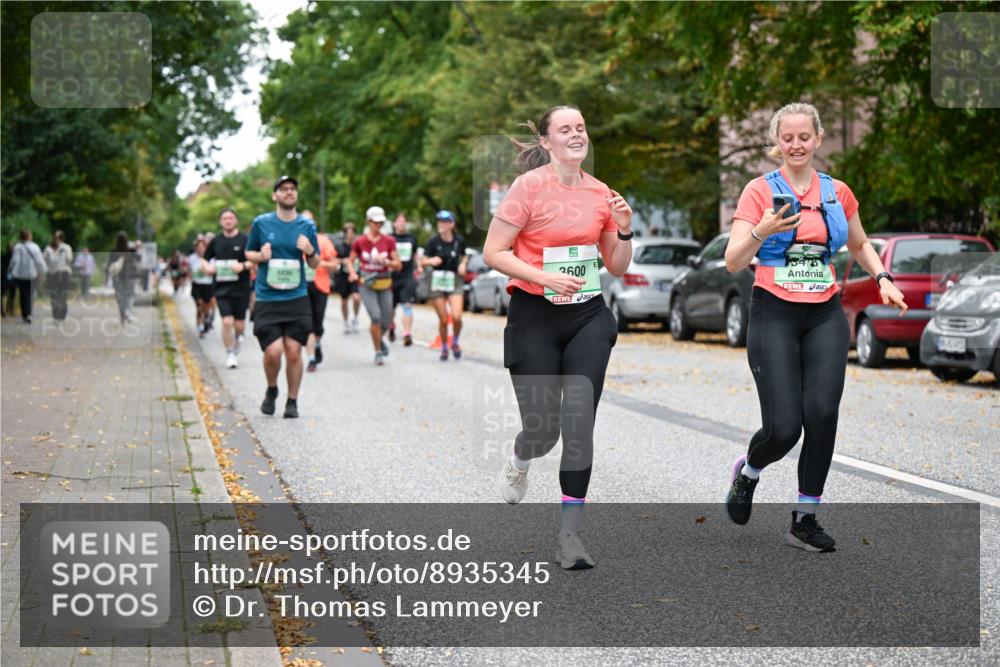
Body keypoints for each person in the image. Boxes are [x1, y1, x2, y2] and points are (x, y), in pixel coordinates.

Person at [723, 103, 907, 553]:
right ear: (777, 142)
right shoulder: (758, 191)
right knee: (784, 429)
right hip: (774, 311)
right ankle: (749, 471)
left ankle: (804, 520)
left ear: (818, 139)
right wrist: (762, 230)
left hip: (824, 312)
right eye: (787, 138)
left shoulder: (837, 192)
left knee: (822, 415)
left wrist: (883, 278)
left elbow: (859, 243)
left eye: (804, 137)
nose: (796, 145)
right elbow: (733, 261)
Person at [483, 105, 633, 570]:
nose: (576, 134)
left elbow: (617, 266)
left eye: (581, 127)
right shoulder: (528, 188)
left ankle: (570, 537)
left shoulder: (602, 194)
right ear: (546, 142)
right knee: (543, 430)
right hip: (535, 316)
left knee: (579, 424)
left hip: (587, 315)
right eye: (565, 129)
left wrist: (625, 228)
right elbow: (494, 251)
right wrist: (543, 277)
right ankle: (521, 458)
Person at [244, 176, 320, 418]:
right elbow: (248, 253)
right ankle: (272, 388)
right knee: (273, 351)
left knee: (294, 351)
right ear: (275, 195)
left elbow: (315, 263)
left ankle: (292, 401)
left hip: (296, 296)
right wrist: (260, 257)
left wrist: (310, 251)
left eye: (292, 189)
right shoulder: (261, 223)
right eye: (284, 189)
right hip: (268, 297)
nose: (289, 192)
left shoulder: (306, 226)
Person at [347, 206, 401, 366]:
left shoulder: (389, 241)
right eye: (376, 222)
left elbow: (398, 264)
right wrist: (353, 273)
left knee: (386, 321)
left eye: (381, 222)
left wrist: (387, 261)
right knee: (376, 317)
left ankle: (378, 339)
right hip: (367, 284)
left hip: (384, 283)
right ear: (369, 222)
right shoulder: (360, 241)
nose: (378, 225)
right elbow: (350, 261)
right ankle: (378, 352)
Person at [204, 208, 252, 368]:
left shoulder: (245, 239)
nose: (228, 221)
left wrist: (243, 266)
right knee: (226, 321)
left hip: (241, 288)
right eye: (225, 218)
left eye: (231, 218)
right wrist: (207, 268)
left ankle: (237, 338)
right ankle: (230, 353)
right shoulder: (216, 241)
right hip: (221, 288)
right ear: (220, 222)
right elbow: (204, 260)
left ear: (236, 220)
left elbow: (255, 260)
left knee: (239, 325)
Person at [422, 210, 468, 361]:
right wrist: (431, 261)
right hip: (437, 281)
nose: (440, 224)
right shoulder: (433, 242)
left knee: (456, 317)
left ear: (451, 224)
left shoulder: (459, 241)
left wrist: (463, 264)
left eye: (444, 222)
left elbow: (465, 255)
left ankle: (455, 341)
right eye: (439, 221)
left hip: (454, 281)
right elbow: (423, 261)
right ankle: (443, 347)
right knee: (443, 319)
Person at [299, 211, 338, 372]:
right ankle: (311, 358)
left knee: (318, 324)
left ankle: (317, 343)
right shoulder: (294, 239)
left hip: (320, 285)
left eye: (310, 221)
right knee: (307, 324)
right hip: (300, 288)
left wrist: (317, 262)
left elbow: (335, 265)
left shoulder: (323, 240)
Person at [389, 213, 420, 347]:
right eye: (399, 221)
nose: (401, 223)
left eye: (403, 221)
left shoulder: (411, 239)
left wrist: (419, 266)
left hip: (407, 277)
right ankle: (391, 326)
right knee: (390, 308)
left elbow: (415, 255)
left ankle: (407, 333)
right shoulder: (389, 238)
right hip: (391, 278)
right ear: (394, 224)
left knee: (407, 304)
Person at [8, 229, 47, 323]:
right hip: (32, 274)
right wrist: (42, 271)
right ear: (29, 236)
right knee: (30, 294)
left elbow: (14, 260)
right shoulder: (35, 247)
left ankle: (24, 314)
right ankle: (29, 313)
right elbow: (39, 261)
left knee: (23, 294)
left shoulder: (18, 247)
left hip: (20, 275)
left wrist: (10, 270)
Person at [332, 222, 362, 334]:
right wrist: (342, 261)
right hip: (343, 276)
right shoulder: (339, 246)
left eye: (352, 232)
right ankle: (345, 321)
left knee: (356, 298)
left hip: (355, 275)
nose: (350, 234)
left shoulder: (358, 245)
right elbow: (333, 259)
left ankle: (355, 318)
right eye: (348, 232)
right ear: (345, 233)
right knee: (344, 301)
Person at [108, 231, 139, 323]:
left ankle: (123, 316)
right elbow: (138, 259)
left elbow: (110, 264)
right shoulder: (131, 250)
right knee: (129, 296)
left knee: (120, 297)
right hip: (130, 276)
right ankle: (128, 313)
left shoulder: (113, 251)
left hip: (118, 276)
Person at [43, 231, 73, 321]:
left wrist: (62, 252)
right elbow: (44, 260)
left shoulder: (66, 247)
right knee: (54, 294)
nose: (57, 240)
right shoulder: (48, 248)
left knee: (63, 294)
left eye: (59, 238)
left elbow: (69, 259)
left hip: (63, 273)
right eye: (56, 238)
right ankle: (56, 314)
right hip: (52, 274)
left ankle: (62, 314)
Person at [188, 238, 215, 337]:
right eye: (198, 247)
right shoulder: (192, 258)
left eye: (202, 247)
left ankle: (207, 318)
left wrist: (207, 271)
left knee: (206, 307)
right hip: (197, 285)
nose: (200, 249)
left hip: (208, 285)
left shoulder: (211, 258)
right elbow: (189, 270)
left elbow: (213, 271)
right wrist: (191, 275)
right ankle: (200, 326)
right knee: (199, 305)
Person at [1, 241, 14, 317]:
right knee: (5, 294)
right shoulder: (13, 257)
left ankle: (8, 310)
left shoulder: (3, 257)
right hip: (6, 278)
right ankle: (5, 311)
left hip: (8, 278)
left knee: (10, 294)